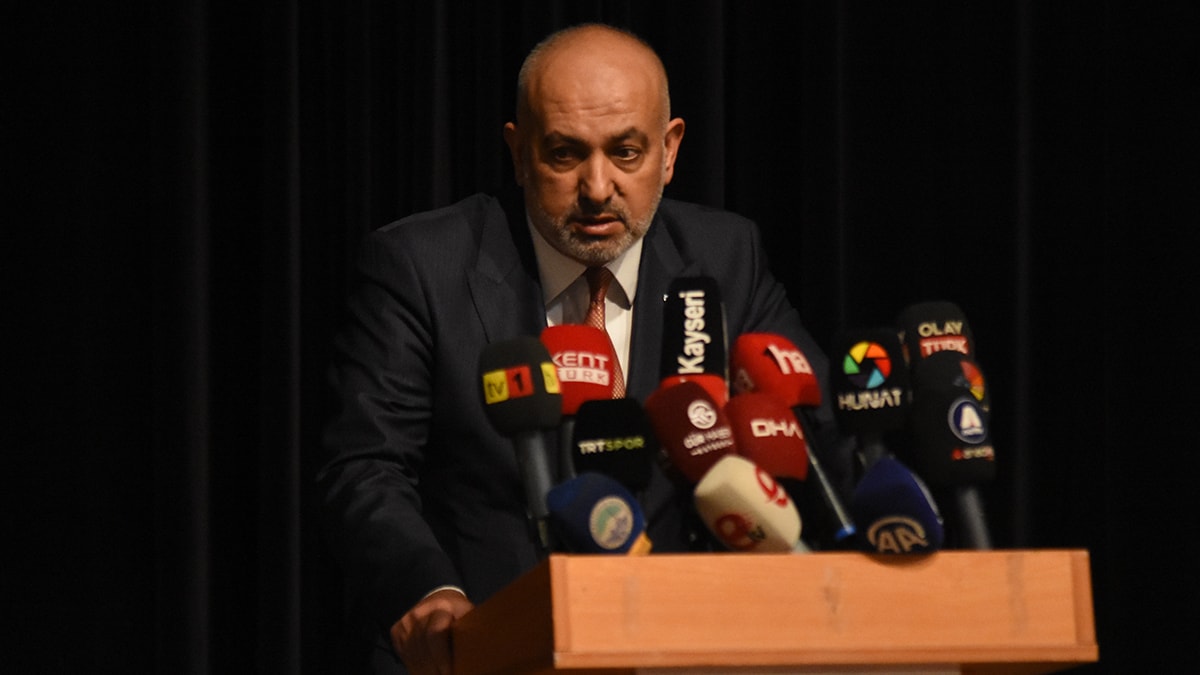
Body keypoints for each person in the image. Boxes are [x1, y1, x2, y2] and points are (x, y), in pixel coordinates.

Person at [318, 23, 845, 675]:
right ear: (519, 153)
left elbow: (816, 427)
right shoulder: (422, 266)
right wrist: (427, 592)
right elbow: (365, 466)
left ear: (670, 150)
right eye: (565, 155)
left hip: (679, 647)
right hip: (483, 648)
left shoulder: (724, 258)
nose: (597, 188)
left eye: (626, 153)